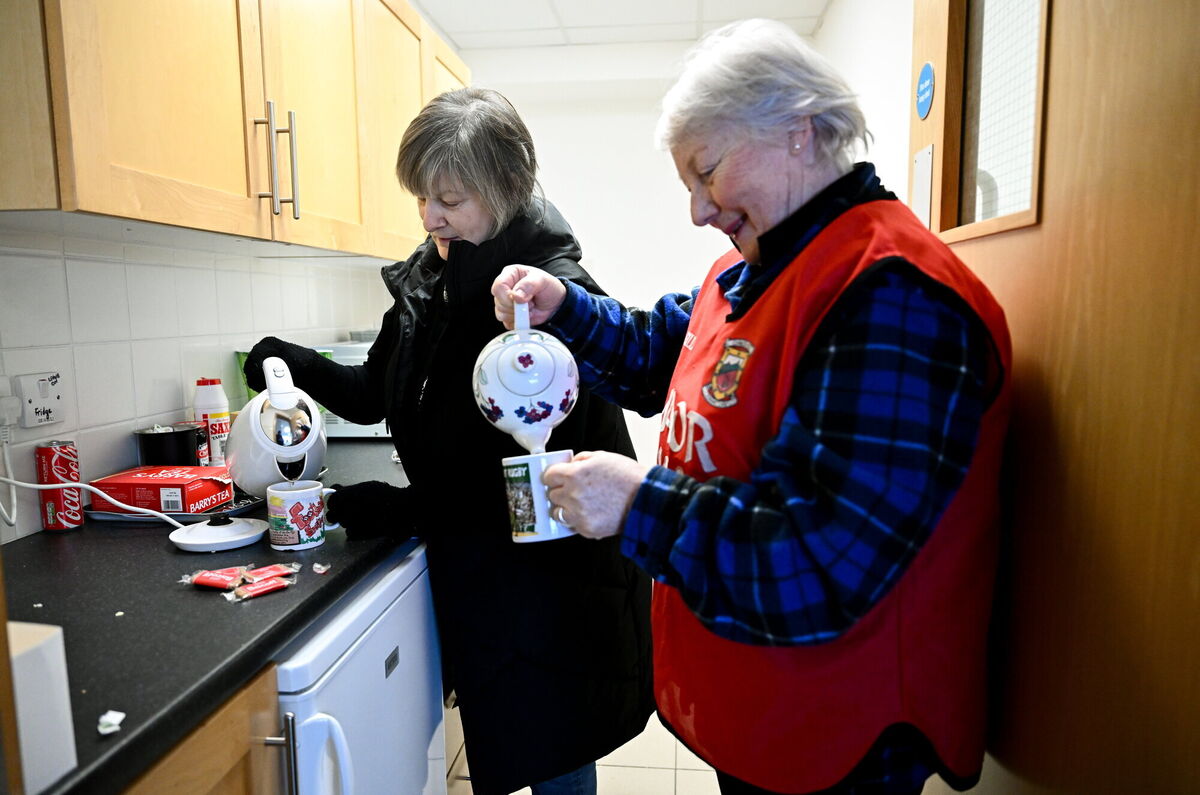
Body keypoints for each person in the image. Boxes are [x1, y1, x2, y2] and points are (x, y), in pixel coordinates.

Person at [491, 19, 1012, 795]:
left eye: (708, 172)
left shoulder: (891, 292)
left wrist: (637, 505)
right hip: (762, 707)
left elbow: (819, 555)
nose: (699, 211)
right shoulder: (752, 270)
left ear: (799, 131)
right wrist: (563, 306)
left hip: (839, 734)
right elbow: (652, 354)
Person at [244, 88, 654, 795]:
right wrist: (299, 365)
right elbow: (380, 390)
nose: (431, 216)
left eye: (451, 199)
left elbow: (530, 482)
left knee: (555, 758)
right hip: (482, 580)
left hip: (553, 590)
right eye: (423, 197)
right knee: (510, 743)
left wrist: (400, 507)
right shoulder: (431, 276)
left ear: (504, 190)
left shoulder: (552, 301)